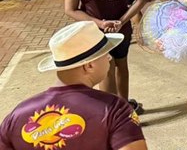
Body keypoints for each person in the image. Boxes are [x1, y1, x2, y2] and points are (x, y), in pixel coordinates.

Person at [0, 21, 147, 150]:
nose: (109, 58)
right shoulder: (115, 109)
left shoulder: (16, 116)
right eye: (105, 54)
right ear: (89, 65)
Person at [64, 0, 146, 110]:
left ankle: (111, 111)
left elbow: (70, 9)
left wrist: (100, 23)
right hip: (121, 29)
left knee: (106, 68)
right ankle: (124, 108)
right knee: (121, 65)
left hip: (94, 31)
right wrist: (122, 21)